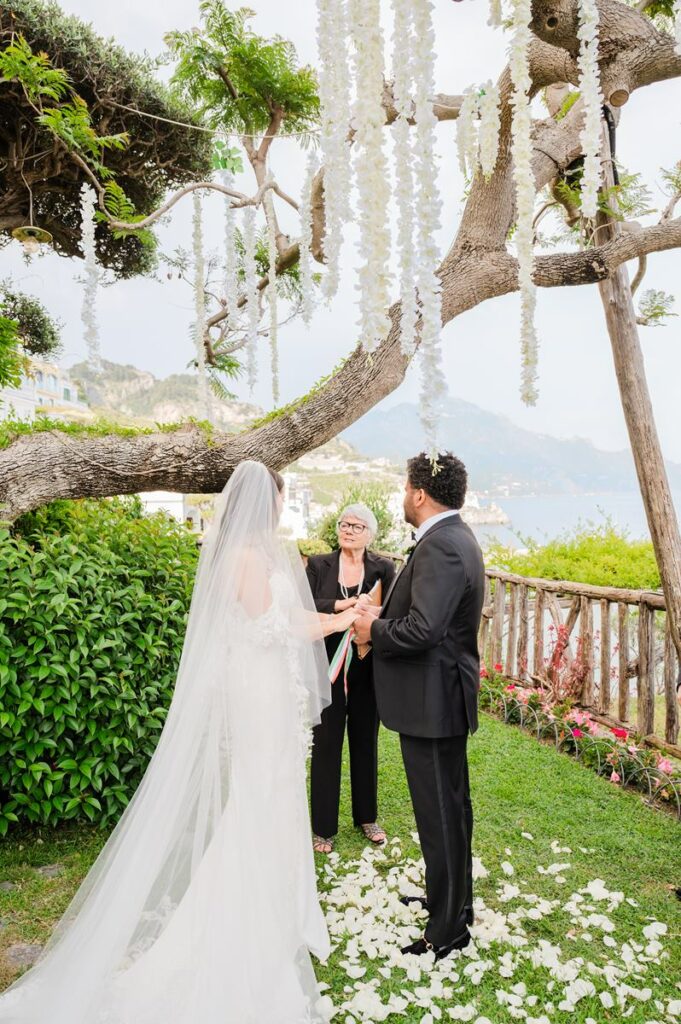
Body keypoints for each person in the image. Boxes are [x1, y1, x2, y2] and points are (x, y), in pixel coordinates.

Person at [0, 461, 357, 1024]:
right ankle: (244, 917)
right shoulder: (242, 558)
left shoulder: (257, 555)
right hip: (257, 695)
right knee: (258, 797)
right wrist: (336, 624)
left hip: (266, 687)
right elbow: (274, 626)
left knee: (274, 794)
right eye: (278, 499)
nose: (281, 509)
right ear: (263, 503)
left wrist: (338, 620)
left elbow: (289, 618)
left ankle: (277, 910)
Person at [354, 452, 485, 963]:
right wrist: (384, 612)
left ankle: (447, 929)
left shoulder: (443, 546)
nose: (402, 494)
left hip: (433, 702)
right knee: (450, 809)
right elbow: (429, 615)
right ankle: (453, 903)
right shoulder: (455, 538)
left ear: (419, 493)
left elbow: (424, 630)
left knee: (440, 814)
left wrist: (373, 629)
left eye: (404, 486)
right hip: (440, 698)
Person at [305, 504, 396, 854]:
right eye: (345, 524)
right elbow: (306, 602)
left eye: (357, 526)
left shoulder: (382, 567)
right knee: (326, 743)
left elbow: (393, 609)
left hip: (366, 664)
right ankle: (323, 828)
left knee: (364, 741)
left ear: (370, 534)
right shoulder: (318, 564)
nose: (349, 530)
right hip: (328, 666)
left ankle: (366, 817)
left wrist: (370, 613)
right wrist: (341, 607)